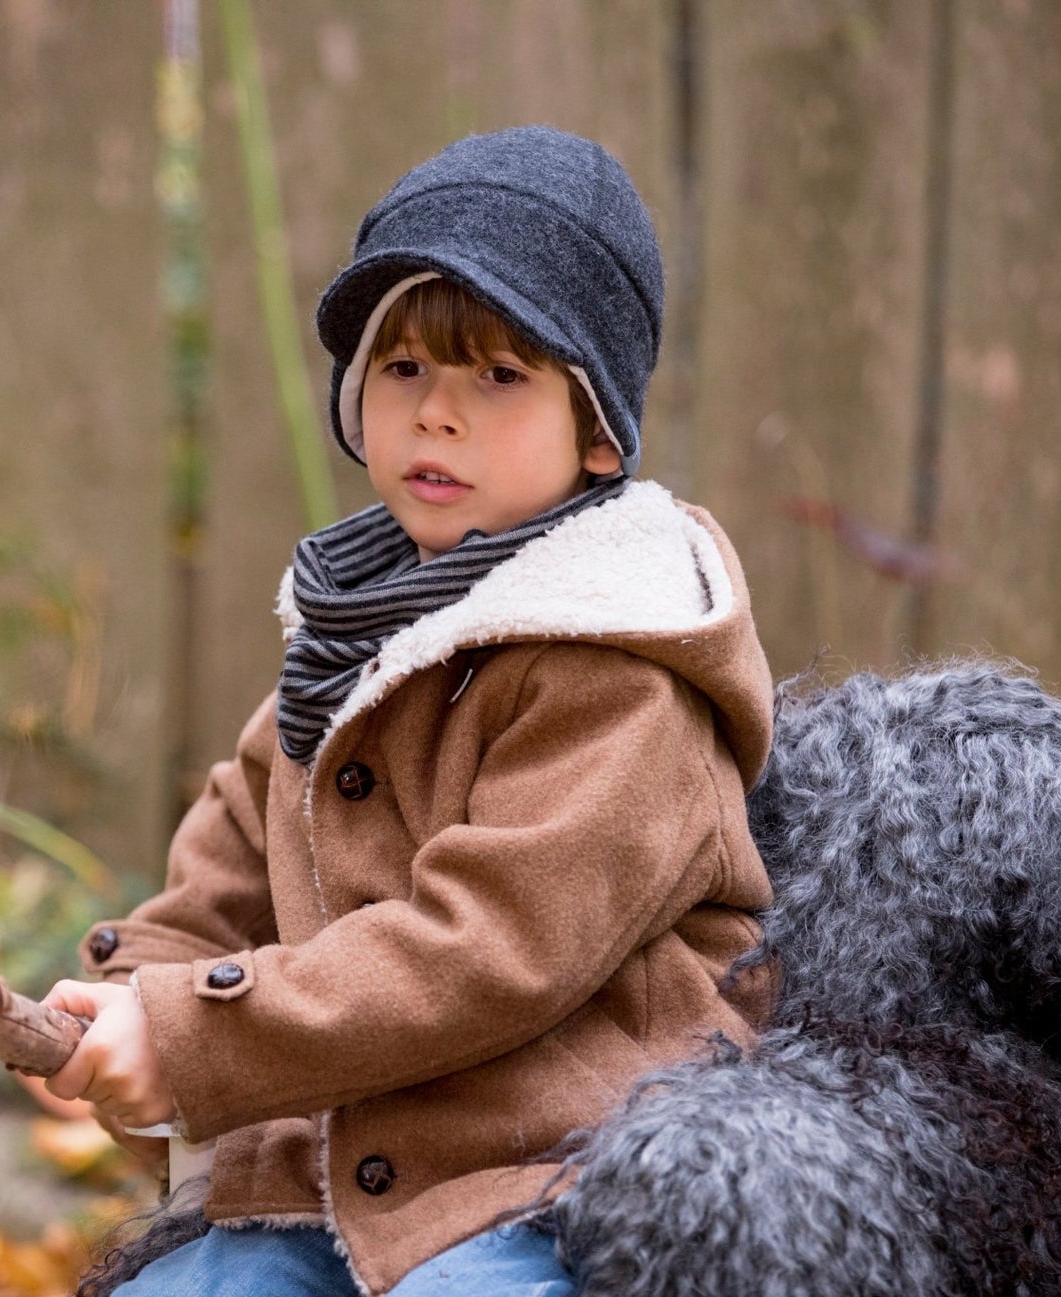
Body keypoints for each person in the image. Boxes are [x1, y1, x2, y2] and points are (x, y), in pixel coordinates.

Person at [42, 125, 775, 1297]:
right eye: (403, 369)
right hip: (346, 1179)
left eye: (497, 375)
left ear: (597, 431)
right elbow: (220, 890)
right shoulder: (346, 644)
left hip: (569, 1173)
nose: (436, 412)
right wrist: (128, 1003)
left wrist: (195, 1036)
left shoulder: (621, 671)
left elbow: (490, 949)